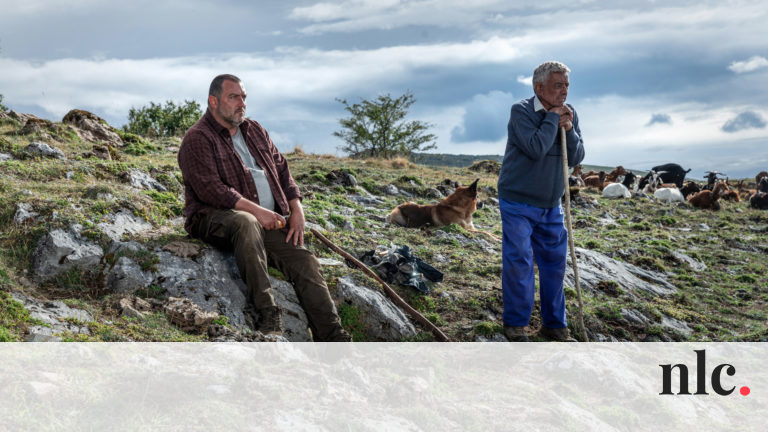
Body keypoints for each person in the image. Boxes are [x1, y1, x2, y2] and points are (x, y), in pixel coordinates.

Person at [178, 74, 351, 341]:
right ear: (213, 101)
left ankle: (334, 338)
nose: (241, 103)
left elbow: (282, 168)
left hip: (266, 222)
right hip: (213, 218)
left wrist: (296, 209)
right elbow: (211, 189)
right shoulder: (197, 138)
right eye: (233, 97)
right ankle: (268, 314)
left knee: (304, 259)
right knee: (245, 222)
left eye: (243, 97)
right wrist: (257, 212)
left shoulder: (254, 130)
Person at [497, 61, 585, 342]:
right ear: (539, 87)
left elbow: (577, 156)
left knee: (554, 264)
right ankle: (516, 324)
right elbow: (535, 148)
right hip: (518, 202)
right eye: (558, 85)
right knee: (519, 260)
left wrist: (569, 128)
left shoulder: (569, 114)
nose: (564, 92)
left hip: (551, 204)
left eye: (567, 86)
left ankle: (555, 325)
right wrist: (552, 119)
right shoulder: (521, 111)